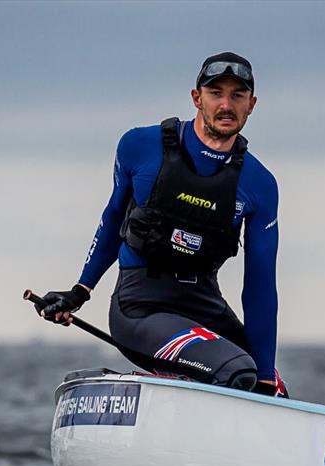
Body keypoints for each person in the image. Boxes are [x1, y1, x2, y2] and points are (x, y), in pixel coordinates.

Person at [38, 52, 286, 397]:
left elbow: (260, 287)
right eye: (216, 93)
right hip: (141, 306)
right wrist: (80, 291)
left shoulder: (259, 184)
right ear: (196, 98)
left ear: (252, 104)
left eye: (237, 95)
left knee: (272, 387)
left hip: (203, 306)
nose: (226, 105)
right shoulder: (141, 147)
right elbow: (112, 220)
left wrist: (267, 379)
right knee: (239, 374)